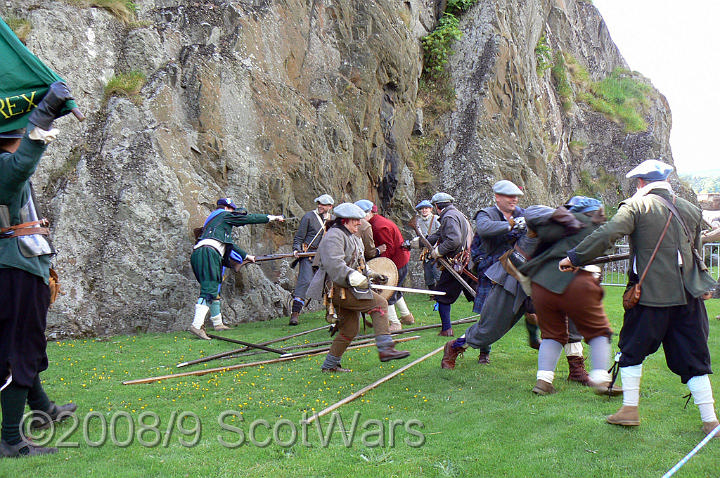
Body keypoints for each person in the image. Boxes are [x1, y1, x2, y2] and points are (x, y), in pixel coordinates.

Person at [560, 159, 719, 434]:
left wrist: (575, 257)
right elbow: (694, 252)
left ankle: (629, 410)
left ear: (641, 183)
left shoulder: (636, 206)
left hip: (649, 298)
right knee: (695, 359)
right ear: (667, 181)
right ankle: (710, 421)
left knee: (631, 351)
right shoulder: (691, 209)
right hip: (687, 299)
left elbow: (607, 233)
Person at [0, 82, 77, 457]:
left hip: (16, 265)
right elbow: (16, 169)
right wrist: (42, 115)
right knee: (20, 349)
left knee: (22, 345)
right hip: (14, 269)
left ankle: (43, 409)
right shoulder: (3, 166)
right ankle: (12, 441)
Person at [517, 197, 619, 396]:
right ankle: (601, 380)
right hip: (576, 282)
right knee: (598, 331)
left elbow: (533, 219)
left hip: (541, 284)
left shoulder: (554, 224)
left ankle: (544, 382)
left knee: (551, 335)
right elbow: (607, 244)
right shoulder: (594, 226)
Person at [306, 203, 410, 372]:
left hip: (348, 288)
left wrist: (372, 274)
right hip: (339, 289)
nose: (359, 223)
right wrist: (354, 277)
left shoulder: (353, 237)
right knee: (380, 304)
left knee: (349, 330)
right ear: (345, 220)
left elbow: (359, 263)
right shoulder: (334, 236)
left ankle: (330, 365)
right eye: (355, 220)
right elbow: (335, 265)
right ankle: (385, 349)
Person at [189, 198, 284, 339]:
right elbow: (248, 218)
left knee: (213, 289)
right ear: (228, 208)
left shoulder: (214, 223)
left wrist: (247, 256)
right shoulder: (224, 214)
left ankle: (218, 323)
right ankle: (197, 325)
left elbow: (229, 245)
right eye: (233, 211)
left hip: (201, 253)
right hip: (209, 253)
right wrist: (272, 217)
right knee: (209, 289)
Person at [471, 180, 540, 362]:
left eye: (516, 196)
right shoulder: (486, 214)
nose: (514, 199)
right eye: (510, 196)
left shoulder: (524, 214)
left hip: (519, 268)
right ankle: (484, 352)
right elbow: (484, 229)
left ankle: (534, 338)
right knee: (489, 315)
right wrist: (511, 225)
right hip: (493, 270)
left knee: (532, 308)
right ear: (498, 197)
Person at [423, 192, 473, 336]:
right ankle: (487, 324)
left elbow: (453, 240)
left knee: (442, 296)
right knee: (477, 297)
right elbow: (438, 235)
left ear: (437, 206)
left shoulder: (449, 217)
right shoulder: (456, 214)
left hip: (457, 264)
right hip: (466, 263)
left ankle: (446, 330)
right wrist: (416, 243)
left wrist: (438, 251)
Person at [362, 200, 414, 329]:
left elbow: (388, 249)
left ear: (368, 213)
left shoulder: (378, 226)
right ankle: (406, 316)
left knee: (387, 293)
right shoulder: (377, 222)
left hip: (395, 262)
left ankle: (394, 323)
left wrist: (381, 268)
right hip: (398, 260)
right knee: (395, 290)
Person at [289, 194, 334, 326]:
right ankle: (295, 314)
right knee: (305, 282)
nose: (320, 206)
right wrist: (297, 249)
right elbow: (299, 237)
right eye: (319, 204)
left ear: (330, 207)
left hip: (326, 257)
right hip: (308, 255)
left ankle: (331, 313)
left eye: (323, 204)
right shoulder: (308, 217)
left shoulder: (334, 219)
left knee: (330, 284)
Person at [414, 200, 441, 290]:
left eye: (426, 208)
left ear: (431, 209)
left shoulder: (436, 219)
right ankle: (432, 293)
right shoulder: (418, 221)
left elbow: (440, 233)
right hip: (425, 251)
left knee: (437, 271)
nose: (424, 210)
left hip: (436, 249)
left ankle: (441, 290)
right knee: (428, 272)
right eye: (422, 209)